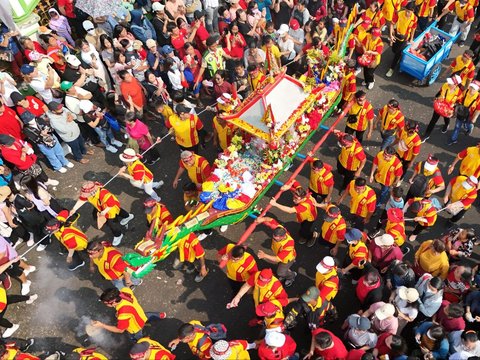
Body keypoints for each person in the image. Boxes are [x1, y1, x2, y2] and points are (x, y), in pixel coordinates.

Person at [71, 181, 134, 246]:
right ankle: (128, 216)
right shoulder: (89, 193)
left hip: (109, 209)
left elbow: (111, 204)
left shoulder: (103, 194)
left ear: (92, 192)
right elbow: (82, 199)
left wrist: (104, 212)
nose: (83, 194)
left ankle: (118, 235)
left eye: (84, 193)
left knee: (112, 224)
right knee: (119, 211)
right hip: (101, 207)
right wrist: (74, 209)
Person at [92, 287, 166, 341]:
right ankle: (160, 315)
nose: (105, 305)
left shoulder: (123, 313)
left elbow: (120, 330)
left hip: (136, 327)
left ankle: (144, 341)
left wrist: (102, 325)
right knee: (147, 316)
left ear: (113, 302)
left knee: (137, 337)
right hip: (139, 313)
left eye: (106, 304)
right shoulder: (124, 291)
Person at [255, 217, 297, 287]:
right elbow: (270, 220)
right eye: (273, 237)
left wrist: (264, 255)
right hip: (280, 254)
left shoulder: (289, 244)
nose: (274, 239)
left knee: (280, 273)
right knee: (281, 267)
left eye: (276, 239)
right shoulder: (279, 229)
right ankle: (286, 271)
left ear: (283, 237)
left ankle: (291, 276)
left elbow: (277, 259)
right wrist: (262, 219)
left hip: (286, 260)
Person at [423, 75, 463, 141]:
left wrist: (453, 105)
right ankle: (426, 135)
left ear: (455, 85)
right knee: (433, 120)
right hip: (440, 106)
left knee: (446, 118)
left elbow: (459, 102)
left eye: (451, 83)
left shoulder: (459, 92)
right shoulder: (445, 85)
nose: (449, 83)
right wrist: (436, 98)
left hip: (448, 109)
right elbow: (440, 93)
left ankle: (446, 124)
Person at [386, 2, 417, 78]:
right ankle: (399, 58)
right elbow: (392, 24)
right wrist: (391, 35)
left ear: (413, 11)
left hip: (405, 38)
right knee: (394, 50)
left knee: (398, 54)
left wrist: (411, 39)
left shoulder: (415, 19)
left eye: (409, 12)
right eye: (406, 10)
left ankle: (391, 69)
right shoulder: (400, 14)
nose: (407, 13)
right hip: (396, 36)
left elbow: (413, 29)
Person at [448, 80, 480, 145]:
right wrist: (454, 105)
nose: (471, 90)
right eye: (471, 87)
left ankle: (469, 128)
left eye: (474, 89)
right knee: (457, 127)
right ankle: (453, 139)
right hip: (461, 113)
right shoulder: (465, 92)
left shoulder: (478, 98)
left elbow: (478, 110)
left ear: (478, 89)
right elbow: (459, 100)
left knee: (468, 125)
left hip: (470, 117)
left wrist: (474, 119)